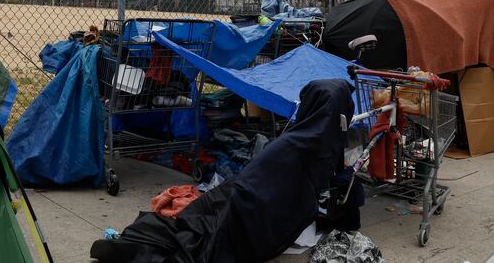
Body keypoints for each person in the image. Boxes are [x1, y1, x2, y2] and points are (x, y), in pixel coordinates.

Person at [90, 79, 355, 263]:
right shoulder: (321, 142)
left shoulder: (299, 140)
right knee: (193, 231)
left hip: (242, 203)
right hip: (248, 211)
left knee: (191, 227)